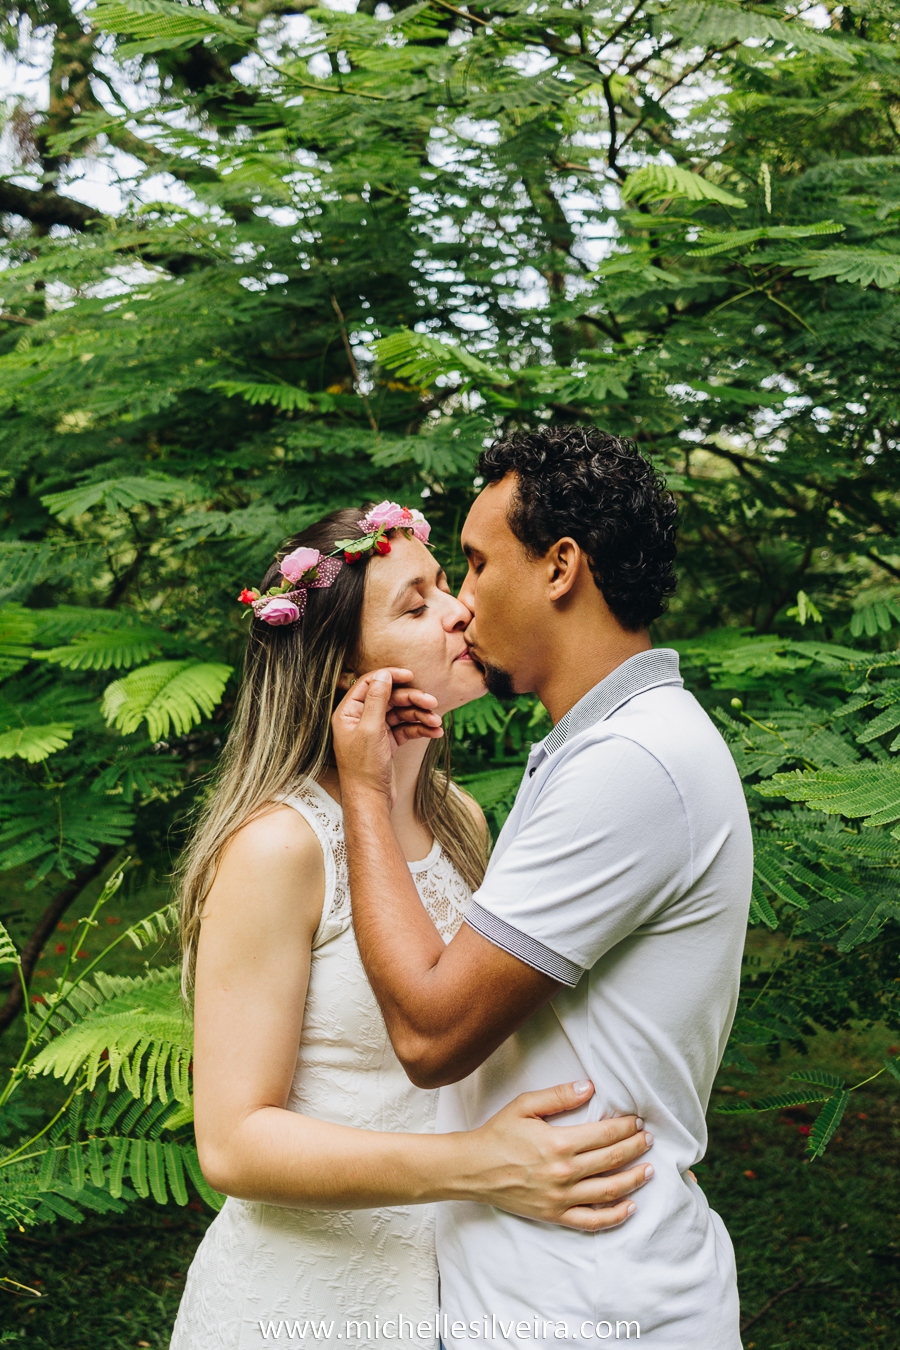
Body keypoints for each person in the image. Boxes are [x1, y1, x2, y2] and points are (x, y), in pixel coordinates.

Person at [168, 500, 654, 1350]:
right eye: (417, 606)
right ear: (341, 672)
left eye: (445, 587)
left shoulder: (461, 820)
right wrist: (480, 1166)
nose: (460, 611)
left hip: (454, 1298)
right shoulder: (279, 847)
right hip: (296, 1305)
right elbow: (233, 1145)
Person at [332, 430, 754, 1350]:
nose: (463, 601)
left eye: (478, 564)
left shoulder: (633, 760)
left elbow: (432, 1035)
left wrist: (363, 791)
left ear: (561, 567)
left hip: (590, 1308)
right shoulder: (600, 744)